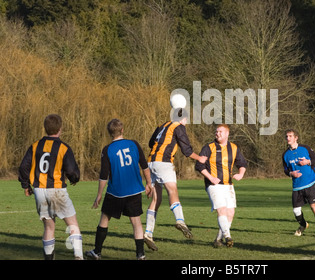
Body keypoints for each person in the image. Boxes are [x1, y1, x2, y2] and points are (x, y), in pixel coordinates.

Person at [85, 119, 153, 260]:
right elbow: (145, 166)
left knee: (104, 219)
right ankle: (140, 255)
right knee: (136, 222)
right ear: (122, 130)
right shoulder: (134, 144)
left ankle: (97, 252)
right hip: (134, 190)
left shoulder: (108, 149)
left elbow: (104, 176)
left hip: (116, 192)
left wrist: (99, 195)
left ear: (110, 133)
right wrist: (149, 184)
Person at [18, 114, 83, 260]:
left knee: (48, 227)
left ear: (45, 128)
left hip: (39, 190)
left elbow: (23, 167)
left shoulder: (35, 146)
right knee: (73, 224)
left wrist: (25, 185)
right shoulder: (63, 147)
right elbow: (72, 171)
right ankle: (78, 256)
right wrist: (74, 179)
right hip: (57, 190)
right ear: (60, 129)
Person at [144, 108, 207, 251]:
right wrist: (200, 158)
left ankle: (148, 233)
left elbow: (150, 144)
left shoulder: (162, 126)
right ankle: (180, 221)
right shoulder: (179, 127)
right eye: (186, 120)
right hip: (163, 163)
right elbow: (187, 150)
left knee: (156, 200)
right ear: (183, 119)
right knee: (172, 191)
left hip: (150, 163)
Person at [195, 124, 247, 248]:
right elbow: (199, 165)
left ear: (227, 134)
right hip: (213, 185)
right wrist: (211, 177)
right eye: (216, 131)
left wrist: (241, 174)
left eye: (220, 131)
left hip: (228, 185)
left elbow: (242, 163)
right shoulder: (209, 147)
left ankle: (218, 239)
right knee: (222, 210)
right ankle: (228, 237)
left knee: (230, 213)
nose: (217, 133)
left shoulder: (234, 148)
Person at [282, 129, 315, 238]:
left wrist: (308, 162)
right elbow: (285, 170)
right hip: (297, 186)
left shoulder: (305, 148)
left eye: (290, 136)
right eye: (287, 136)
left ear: (296, 137)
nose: (288, 138)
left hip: (310, 183)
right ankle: (303, 225)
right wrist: (291, 173)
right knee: (296, 210)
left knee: (313, 206)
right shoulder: (285, 154)